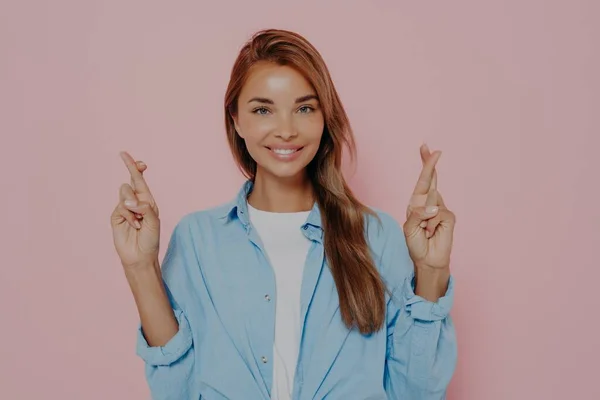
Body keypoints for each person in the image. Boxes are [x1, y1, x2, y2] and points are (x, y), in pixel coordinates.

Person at [111, 29, 457, 400]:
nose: (287, 130)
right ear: (236, 120)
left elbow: (416, 391)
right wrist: (139, 266)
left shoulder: (377, 236)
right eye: (263, 110)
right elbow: (174, 390)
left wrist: (432, 271)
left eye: (305, 108)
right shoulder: (198, 239)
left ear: (325, 117)